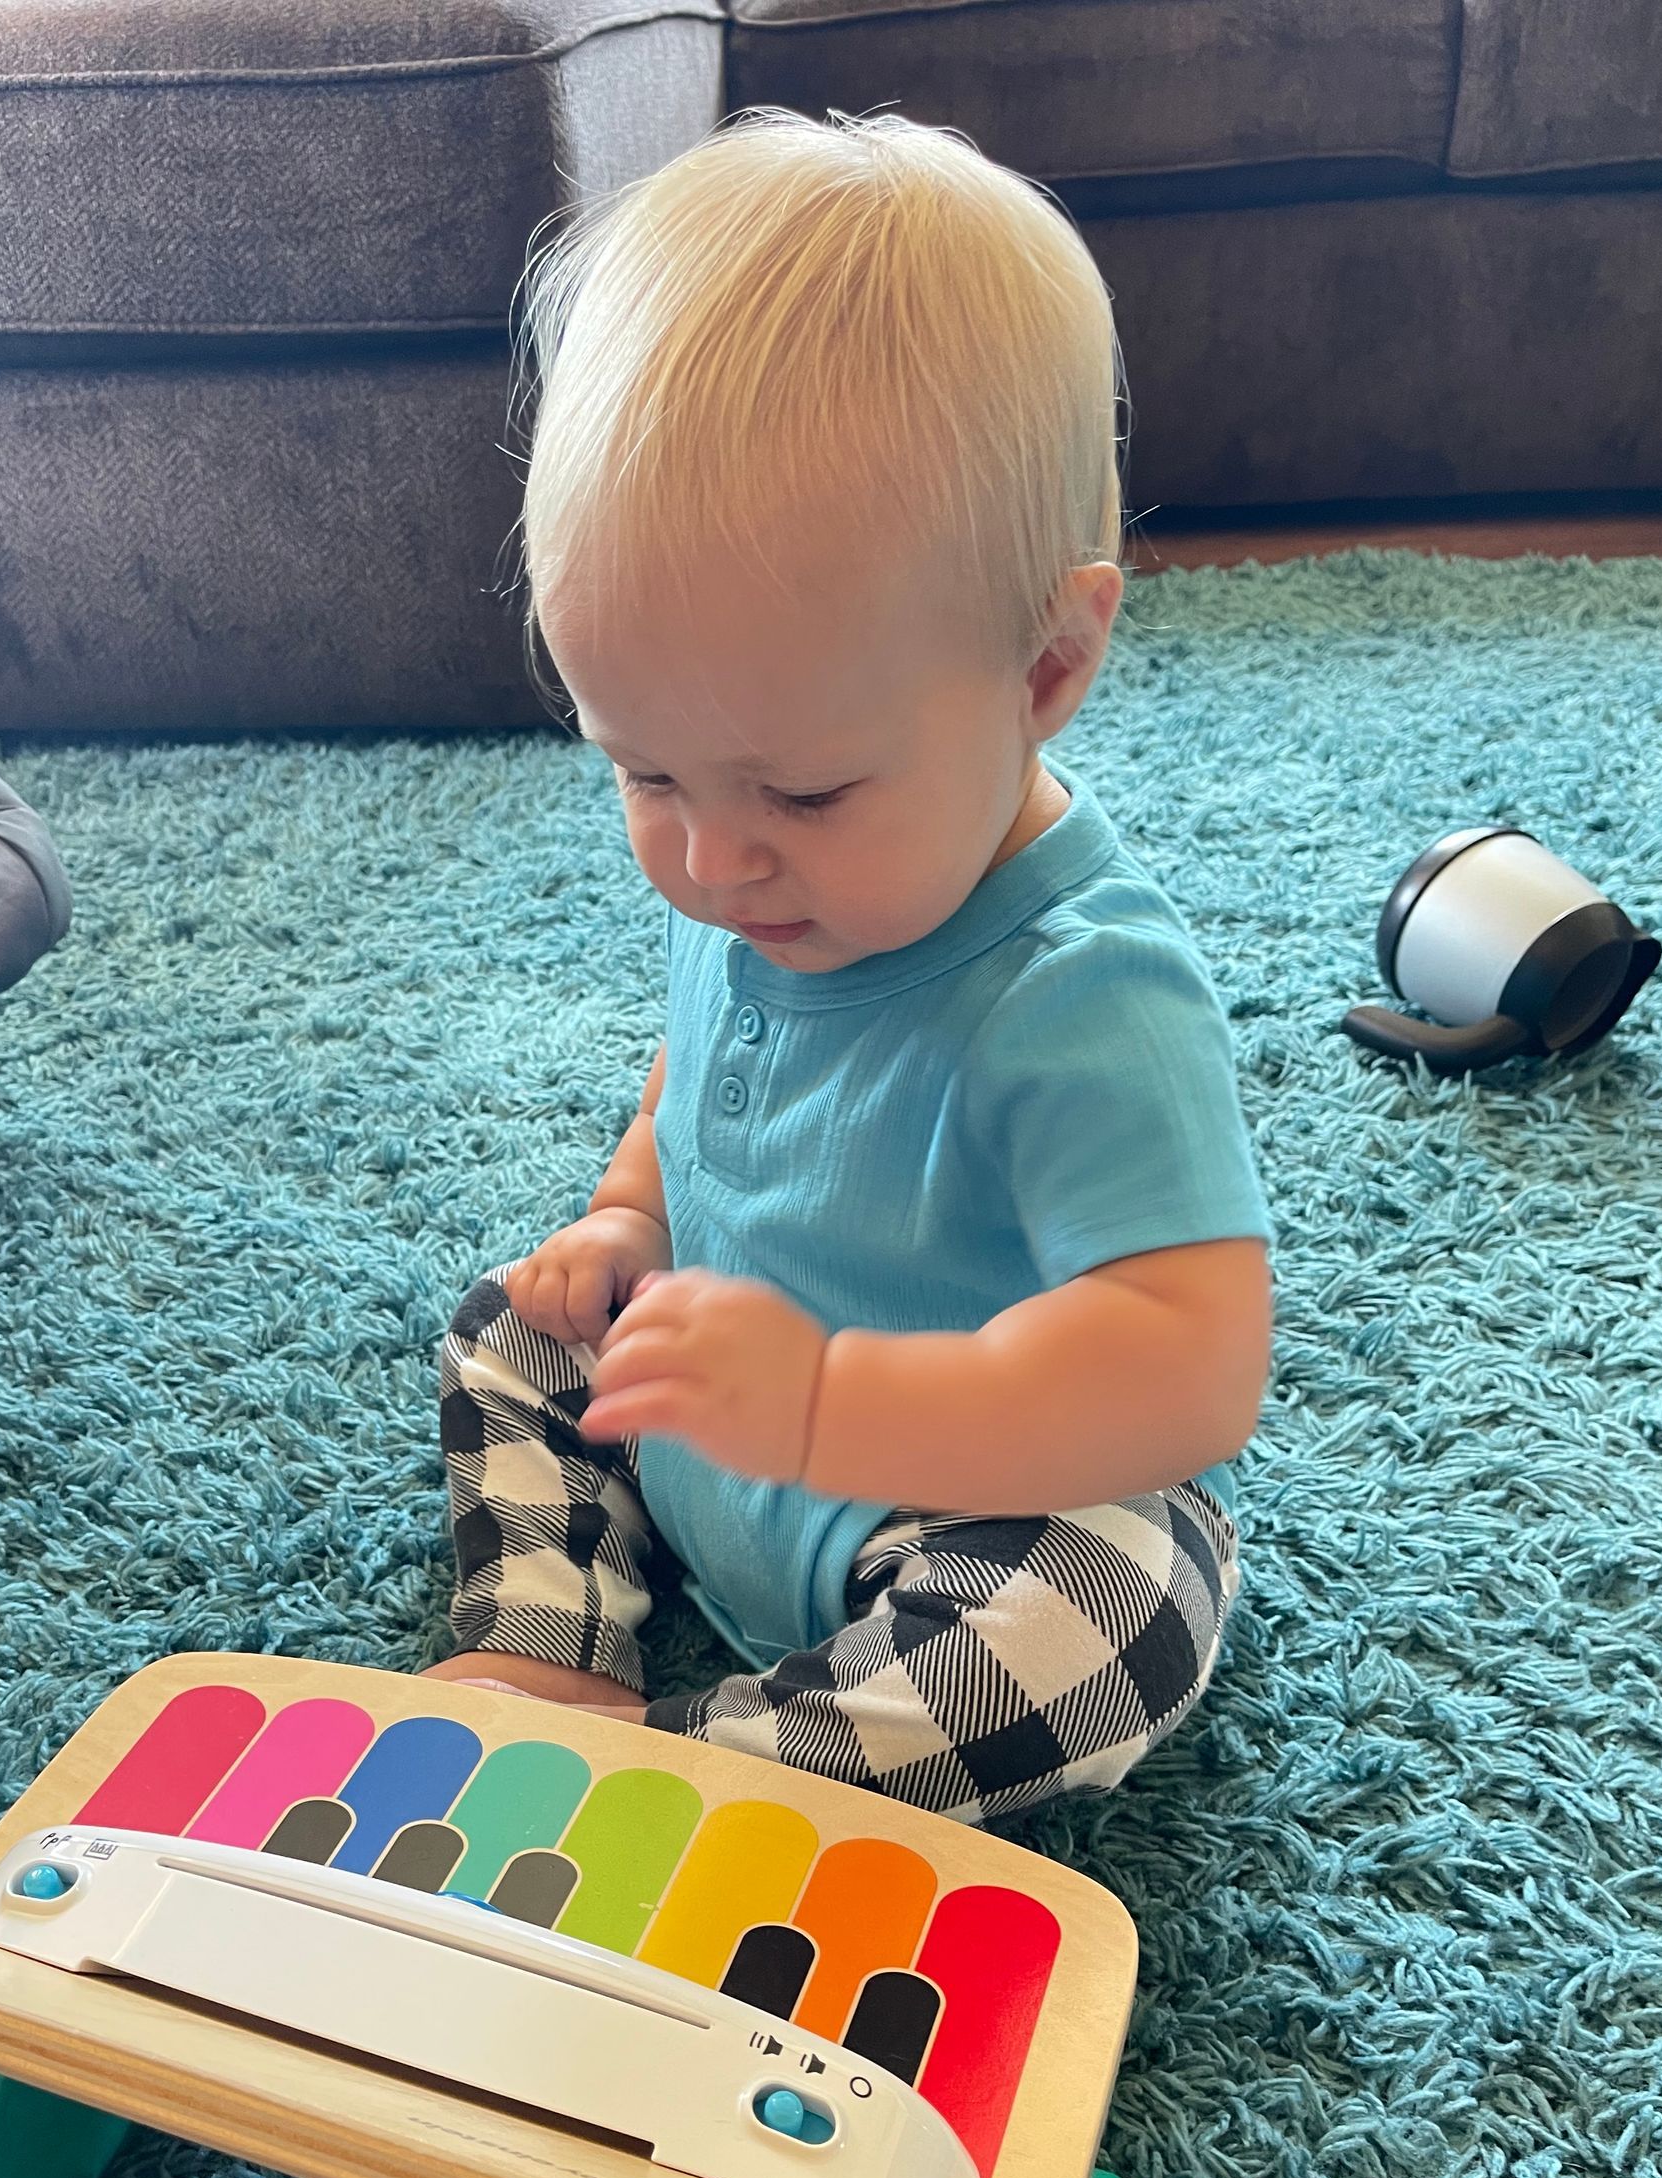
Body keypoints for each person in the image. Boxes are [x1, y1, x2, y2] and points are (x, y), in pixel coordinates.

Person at [419, 108, 1273, 1827]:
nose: (712, 862)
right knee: (514, 1328)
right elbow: (704, 1078)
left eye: (801, 791)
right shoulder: (765, 878)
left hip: (952, 1508)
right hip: (708, 1426)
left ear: (1044, 666)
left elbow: (1192, 1364)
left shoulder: (1084, 991)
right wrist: (627, 1225)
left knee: (1120, 1606)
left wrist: (832, 1403)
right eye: (643, 771)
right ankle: (549, 1639)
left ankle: (721, 1776)